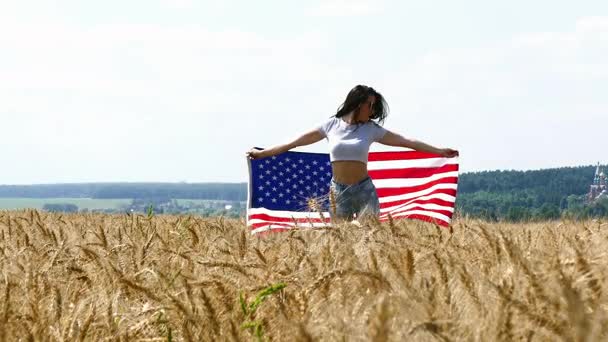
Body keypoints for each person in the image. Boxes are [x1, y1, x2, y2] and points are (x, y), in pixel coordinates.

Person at [246, 85, 459, 222]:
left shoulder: (372, 129)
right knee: (342, 243)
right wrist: (263, 154)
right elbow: (292, 142)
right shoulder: (330, 125)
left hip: (365, 191)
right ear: (357, 104)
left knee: (371, 239)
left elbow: (407, 142)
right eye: (369, 105)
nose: (372, 111)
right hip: (338, 192)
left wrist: (440, 151)